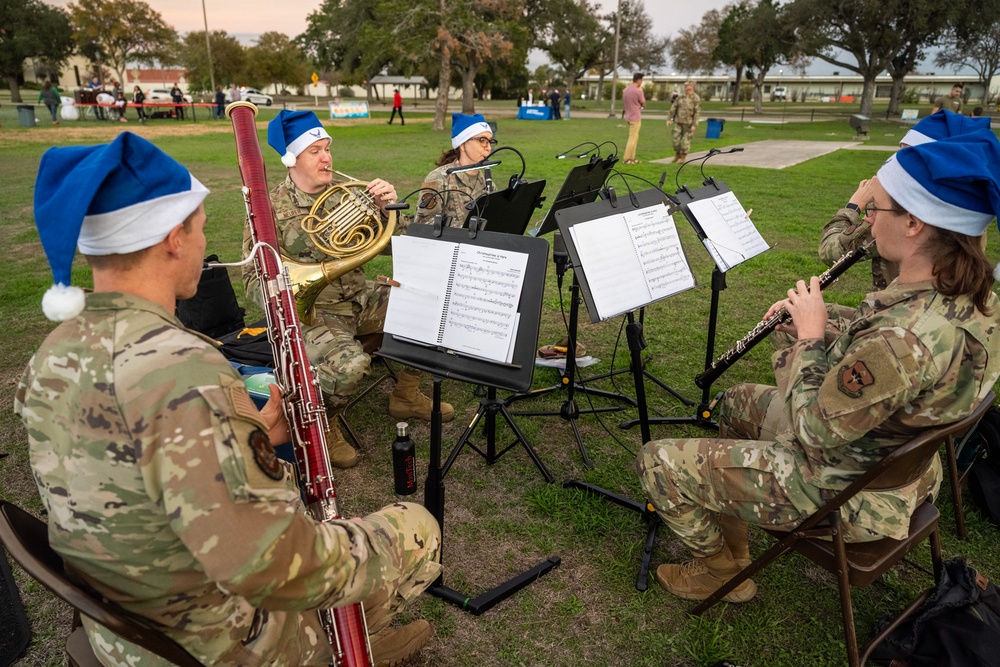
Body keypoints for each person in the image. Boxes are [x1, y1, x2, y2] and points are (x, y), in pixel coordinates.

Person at [15, 132, 442, 666]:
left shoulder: (53, 353)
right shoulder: (183, 369)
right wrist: (395, 533)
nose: (203, 244)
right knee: (414, 530)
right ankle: (322, 647)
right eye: (199, 227)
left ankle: (344, 626)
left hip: (125, 620)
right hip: (206, 642)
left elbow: (132, 466)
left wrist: (255, 435)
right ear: (174, 237)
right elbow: (272, 566)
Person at [636, 129, 1000, 605]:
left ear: (914, 223)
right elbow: (887, 346)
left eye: (876, 208)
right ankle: (736, 538)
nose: (865, 217)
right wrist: (827, 324)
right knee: (736, 402)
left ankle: (720, 571)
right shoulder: (969, 294)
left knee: (656, 462)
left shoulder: (902, 341)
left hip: (851, 493)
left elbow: (812, 430)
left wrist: (808, 338)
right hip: (895, 463)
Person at [242, 110, 455, 469]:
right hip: (315, 312)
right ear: (292, 158)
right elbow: (252, 279)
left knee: (435, 304)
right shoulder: (269, 209)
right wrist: (287, 296)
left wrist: (389, 211)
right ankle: (324, 420)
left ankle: (405, 393)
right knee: (351, 367)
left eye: (327, 148)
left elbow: (395, 246)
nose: (327, 158)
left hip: (360, 298)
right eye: (315, 151)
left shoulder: (346, 196)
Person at [819, 109, 991, 293]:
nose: (897, 164)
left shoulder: (900, 214)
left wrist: (854, 205)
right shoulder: (962, 211)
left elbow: (831, 251)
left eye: (908, 157)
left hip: (895, 314)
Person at [414, 113, 495, 228]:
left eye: (490, 141)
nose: (488, 147)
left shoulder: (487, 182)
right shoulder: (439, 179)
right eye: (482, 140)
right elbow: (422, 225)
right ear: (463, 144)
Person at [667, 80, 701, 163]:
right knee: (675, 141)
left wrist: (694, 124)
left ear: (692, 86)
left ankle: (683, 156)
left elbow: (697, 112)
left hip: (689, 124)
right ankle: (677, 154)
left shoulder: (696, 98)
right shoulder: (680, 97)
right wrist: (669, 118)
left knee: (686, 141)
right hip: (678, 122)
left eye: (687, 85)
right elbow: (673, 107)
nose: (686, 87)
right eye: (685, 85)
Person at [622, 72, 646, 165]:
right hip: (635, 116)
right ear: (639, 80)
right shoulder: (638, 91)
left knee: (635, 137)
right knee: (632, 138)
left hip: (628, 115)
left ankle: (632, 158)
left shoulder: (626, 90)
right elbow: (643, 103)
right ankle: (627, 158)